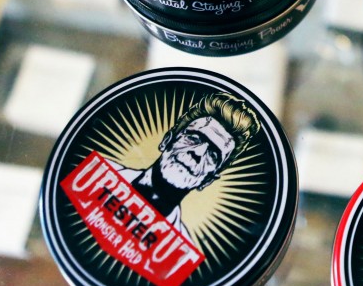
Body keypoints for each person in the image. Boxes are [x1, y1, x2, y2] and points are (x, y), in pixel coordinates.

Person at [111, 92, 261, 240]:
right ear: (167, 140)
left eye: (213, 155)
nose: (197, 153)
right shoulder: (99, 172)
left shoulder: (180, 251)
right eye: (194, 138)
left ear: (208, 181)